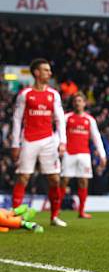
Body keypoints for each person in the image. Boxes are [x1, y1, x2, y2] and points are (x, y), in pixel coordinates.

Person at [11, 58, 67, 226]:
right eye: (45, 70)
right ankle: (16, 216)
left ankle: (54, 216)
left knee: (55, 179)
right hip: (29, 140)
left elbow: (59, 120)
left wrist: (62, 141)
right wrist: (15, 144)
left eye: (49, 70)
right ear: (36, 72)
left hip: (49, 141)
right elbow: (17, 119)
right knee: (23, 177)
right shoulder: (25, 94)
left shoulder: (54, 95)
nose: (49, 73)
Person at [59, 92, 107, 220]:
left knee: (83, 181)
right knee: (64, 181)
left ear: (84, 103)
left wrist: (102, 154)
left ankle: (81, 211)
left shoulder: (89, 120)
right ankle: (56, 209)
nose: (77, 103)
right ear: (73, 103)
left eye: (80, 101)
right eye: (75, 101)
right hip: (69, 153)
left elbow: (96, 137)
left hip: (84, 154)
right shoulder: (67, 117)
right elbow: (60, 133)